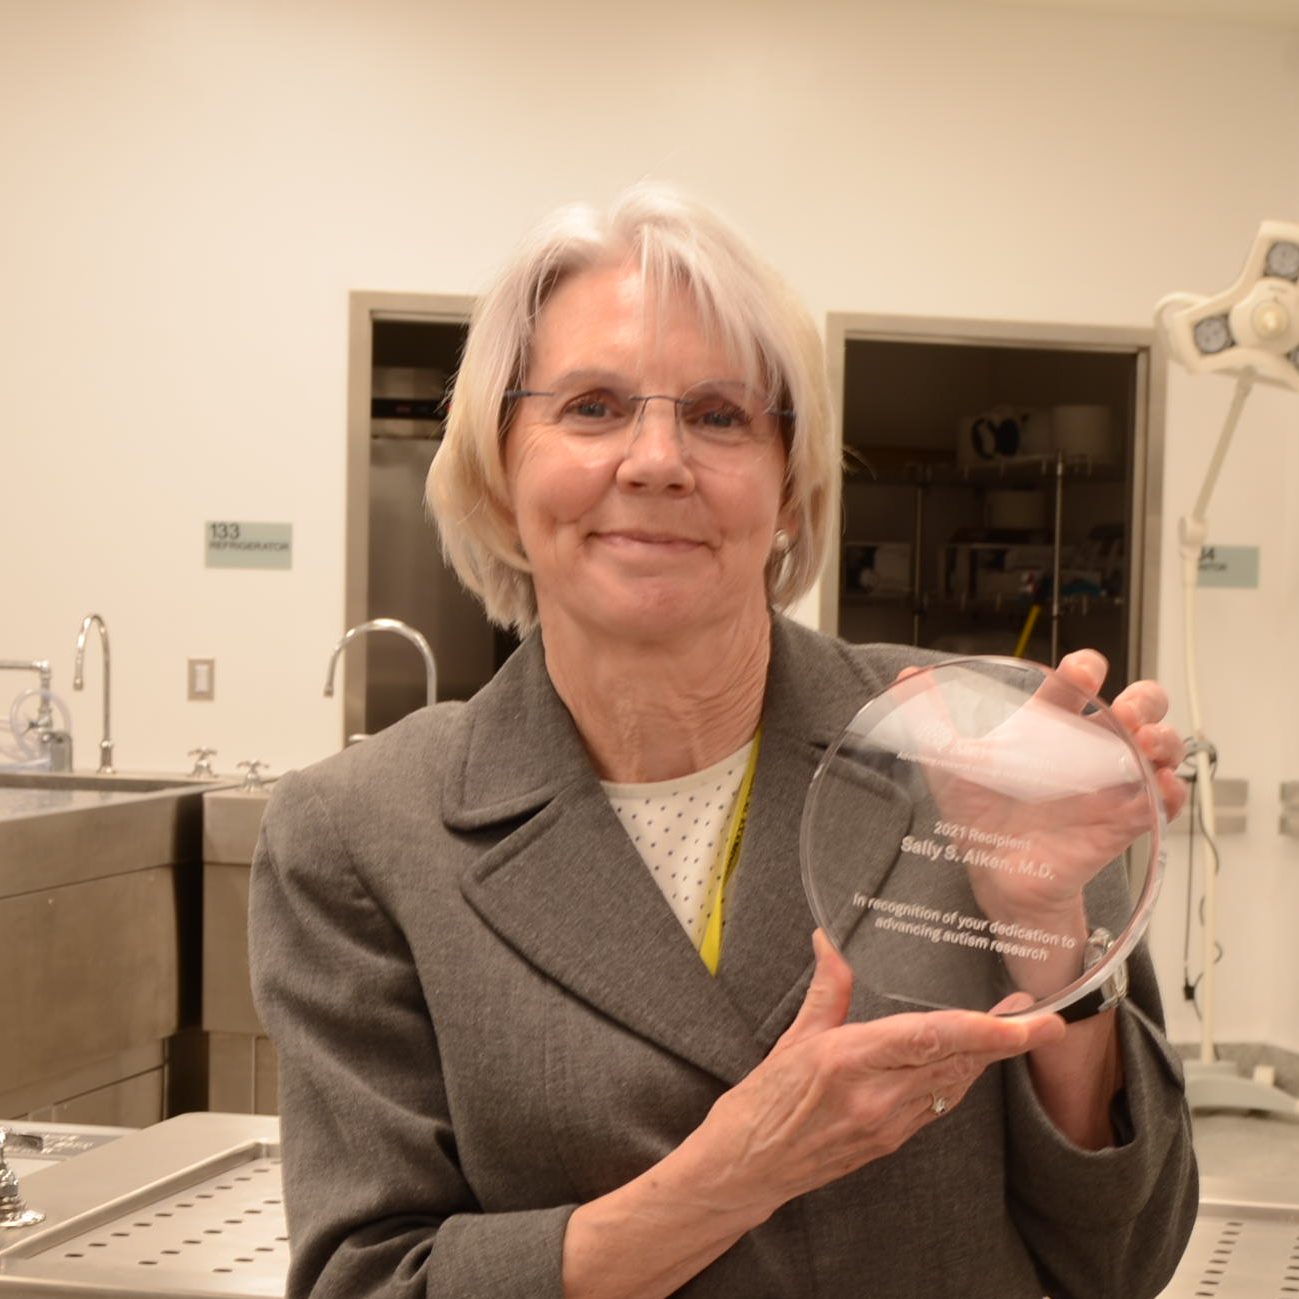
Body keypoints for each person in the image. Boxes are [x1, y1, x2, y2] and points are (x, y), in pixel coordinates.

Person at [249, 184, 1197, 1299]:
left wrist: (1051, 942)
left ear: (788, 490)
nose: (657, 459)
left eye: (719, 416)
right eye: (592, 407)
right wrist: (739, 1170)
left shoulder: (975, 750)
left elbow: (1123, 1260)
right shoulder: (359, 833)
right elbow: (368, 1281)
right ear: (500, 475)